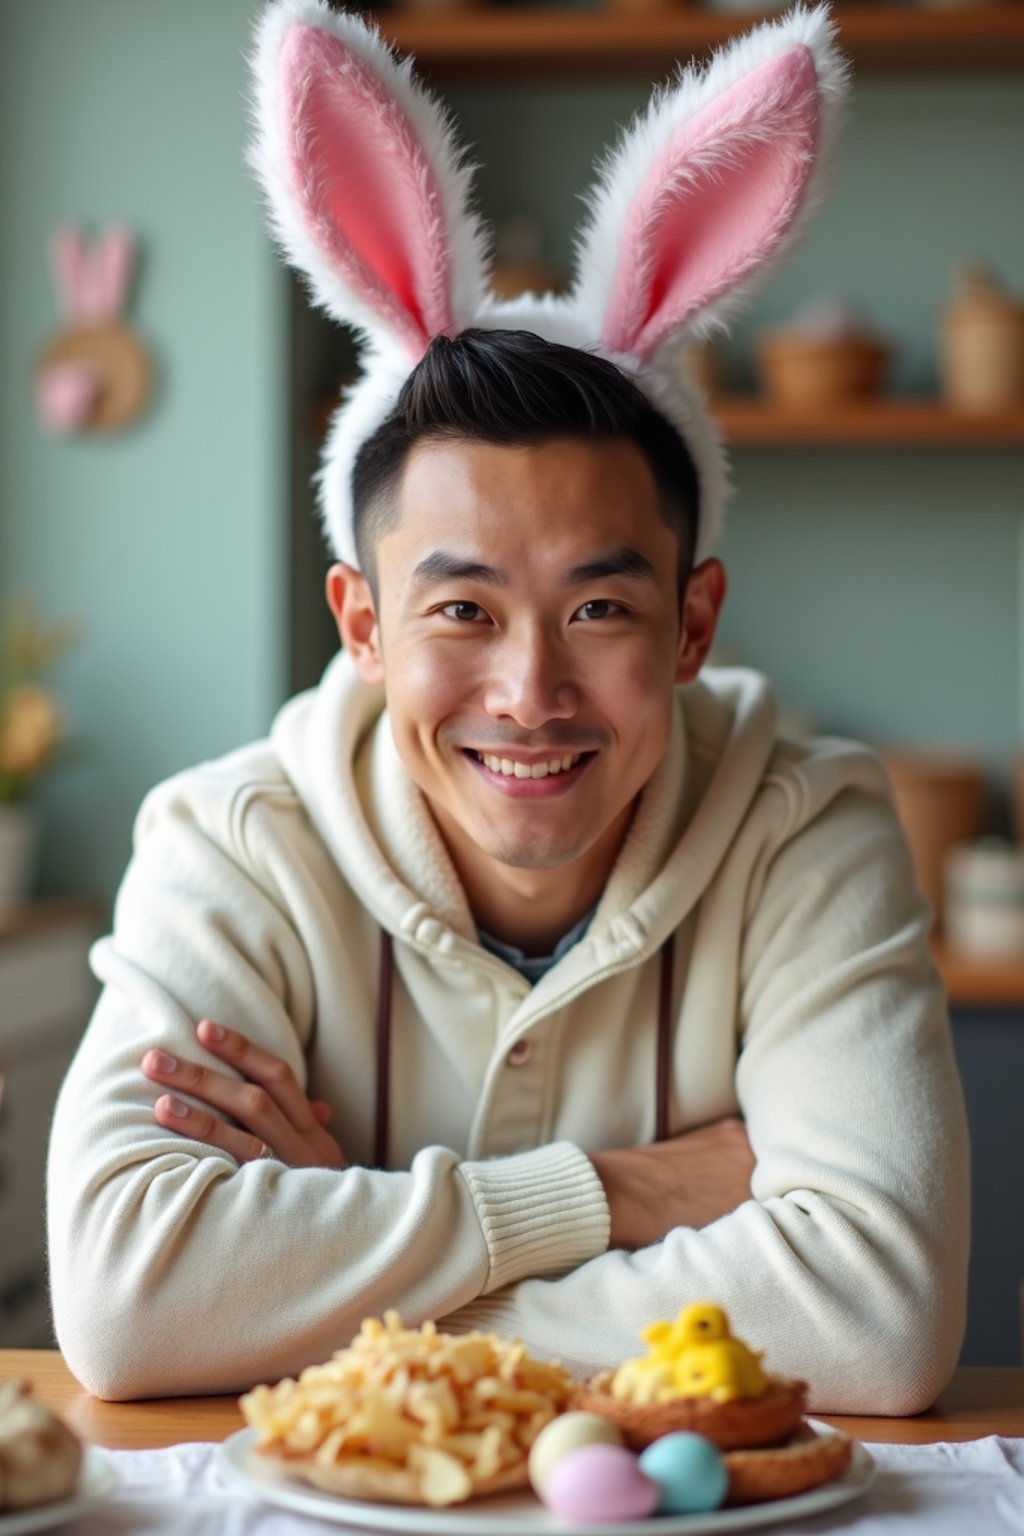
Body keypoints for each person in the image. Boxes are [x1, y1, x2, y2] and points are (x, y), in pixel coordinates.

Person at [47, 0, 969, 1407]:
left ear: (691, 624)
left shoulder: (806, 824)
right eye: (461, 611)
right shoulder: (229, 842)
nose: (528, 693)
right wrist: (614, 1195)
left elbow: (881, 1318)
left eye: (599, 608)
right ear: (361, 623)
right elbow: (124, 1302)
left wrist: (342, 1249)